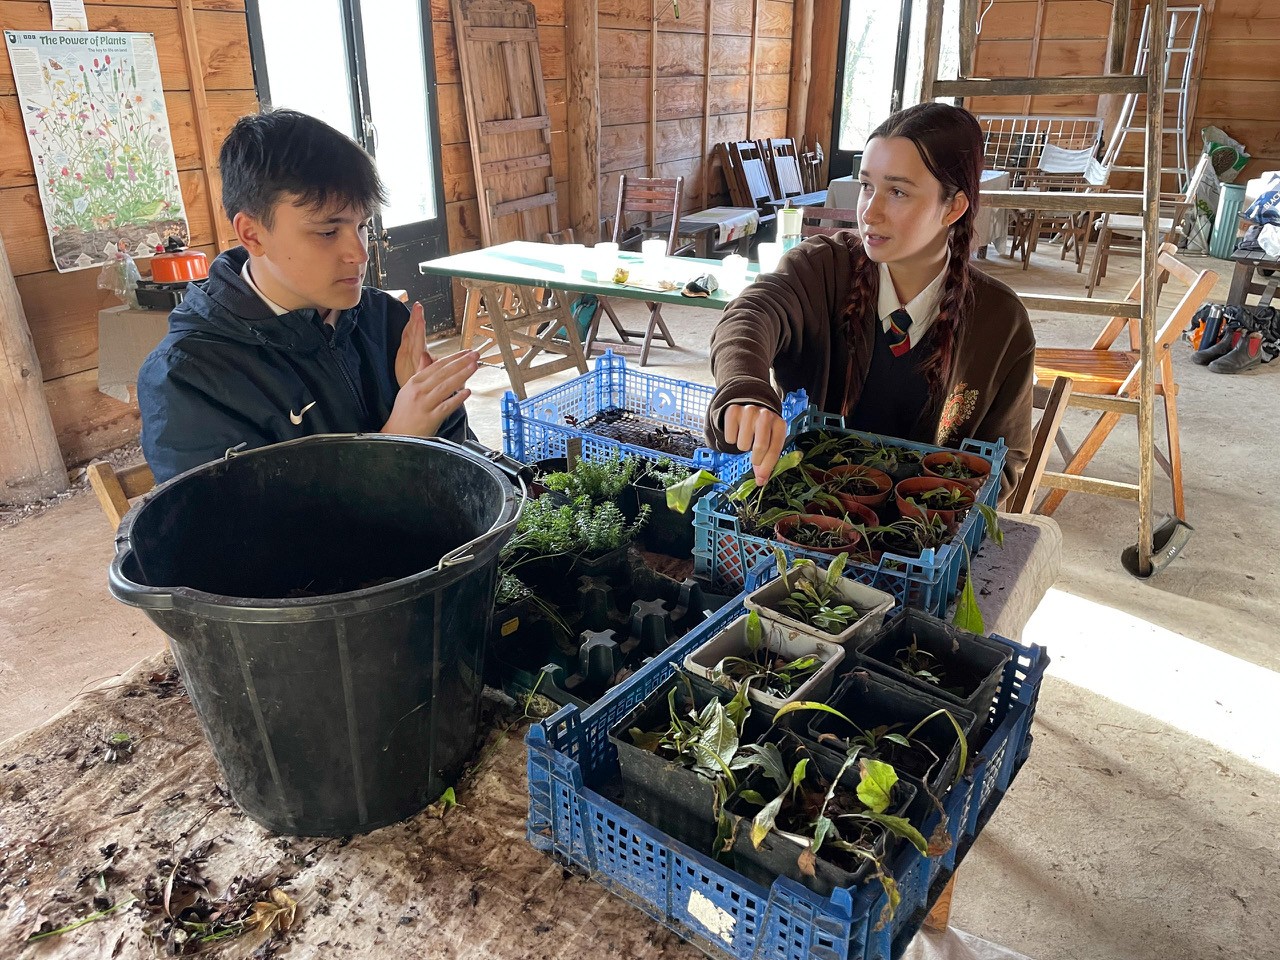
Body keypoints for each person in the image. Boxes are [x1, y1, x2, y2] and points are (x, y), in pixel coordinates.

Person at [706, 103, 1034, 501]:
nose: (869, 212)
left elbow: (1007, 461)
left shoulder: (1001, 322)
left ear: (953, 207)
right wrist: (745, 389)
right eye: (866, 186)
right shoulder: (821, 268)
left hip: (917, 543)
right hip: (800, 516)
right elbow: (753, 312)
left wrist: (934, 508)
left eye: (897, 192)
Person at [138, 110, 480, 483]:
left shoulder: (383, 319)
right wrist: (398, 441)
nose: (360, 254)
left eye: (363, 226)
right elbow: (246, 536)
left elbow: (467, 468)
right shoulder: (189, 376)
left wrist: (438, 408)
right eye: (328, 232)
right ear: (252, 234)